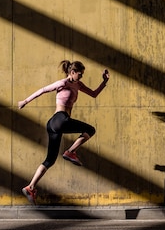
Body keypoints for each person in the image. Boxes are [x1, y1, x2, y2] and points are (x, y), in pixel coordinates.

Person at [17, 60, 110, 205]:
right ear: (72, 72)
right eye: (80, 74)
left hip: (54, 124)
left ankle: (30, 187)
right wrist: (25, 101)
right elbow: (43, 90)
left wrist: (104, 82)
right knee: (90, 130)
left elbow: (93, 94)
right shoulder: (63, 83)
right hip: (60, 119)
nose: (81, 76)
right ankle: (70, 152)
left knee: (50, 160)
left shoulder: (78, 85)